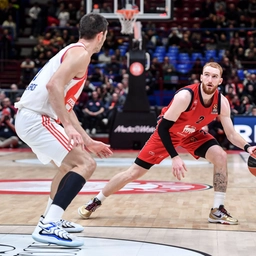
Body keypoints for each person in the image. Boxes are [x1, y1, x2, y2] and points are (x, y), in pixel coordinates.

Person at [78, 62, 256, 225]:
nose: (210, 80)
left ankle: (217, 210)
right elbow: (163, 128)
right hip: (166, 134)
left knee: (220, 156)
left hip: (191, 133)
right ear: (201, 77)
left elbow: (231, 134)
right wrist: (175, 157)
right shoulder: (185, 96)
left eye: (214, 76)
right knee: (133, 173)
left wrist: (249, 147)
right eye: (207, 75)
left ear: (220, 80)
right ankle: (96, 200)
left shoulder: (222, 102)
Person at [14, 13, 113, 247]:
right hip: (36, 118)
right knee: (86, 164)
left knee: (68, 166)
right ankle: (50, 224)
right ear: (101, 35)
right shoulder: (80, 54)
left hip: (31, 117)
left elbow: (66, 106)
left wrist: (87, 140)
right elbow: (53, 86)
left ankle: (48, 219)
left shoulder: (73, 51)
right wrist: (67, 127)